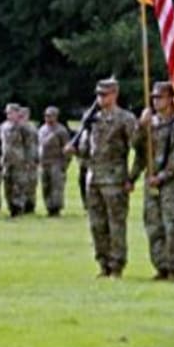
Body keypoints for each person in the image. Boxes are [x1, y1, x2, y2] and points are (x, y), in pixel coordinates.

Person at [68, 77, 140, 279]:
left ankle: (117, 265)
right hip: (93, 179)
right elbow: (86, 150)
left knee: (116, 225)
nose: (100, 98)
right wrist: (75, 149)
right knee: (96, 225)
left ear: (115, 94)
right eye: (98, 95)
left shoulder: (125, 119)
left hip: (115, 180)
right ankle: (103, 264)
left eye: (104, 94)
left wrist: (132, 177)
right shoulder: (92, 119)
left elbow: (140, 149)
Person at [131, 81, 174, 281]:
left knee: (172, 226)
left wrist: (162, 177)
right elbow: (138, 148)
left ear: (171, 99)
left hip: (171, 184)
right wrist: (141, 126)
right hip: (151, 182)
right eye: (154, 98)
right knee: (153, 226)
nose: (156, 101)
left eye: (160, 97)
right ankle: (161, 266)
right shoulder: (151, 124)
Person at [38, 106, 71, 217]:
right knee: (45, 186)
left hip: (56, 163)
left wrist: (65, 164)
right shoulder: (42, 129)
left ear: (56, 117)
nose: (48, 118)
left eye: (50, 116)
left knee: (56, 187)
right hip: (43, 163)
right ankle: (48, 207)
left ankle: (56, 209)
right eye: (46, 116)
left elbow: (67, 149)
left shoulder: (61, 130)